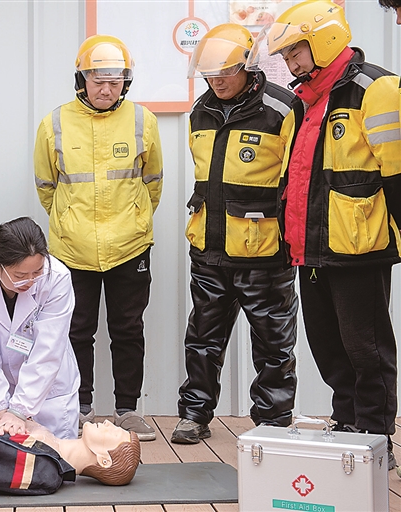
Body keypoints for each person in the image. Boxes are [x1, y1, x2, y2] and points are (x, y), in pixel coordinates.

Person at [256, 0, 401, 469]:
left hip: (358, 248)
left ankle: (376, 440)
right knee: (329, 349)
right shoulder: (303, 101)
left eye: (295, 51)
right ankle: (350, 430)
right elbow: (297, 178)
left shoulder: (375, 89)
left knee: (366, 350)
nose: (290, 62)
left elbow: (397, 173)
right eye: (285, 55)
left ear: (323, 40)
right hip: (310, 248)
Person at [171, 24, 299, 445]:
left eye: (226, 71)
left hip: (265, 253)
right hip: (209, 250)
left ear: (248, 66)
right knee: (202, 340)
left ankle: (273, 423)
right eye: (209, 74)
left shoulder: (282, 109)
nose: (217, 81)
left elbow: (295, 180)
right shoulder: (201, 111)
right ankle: (194, 414)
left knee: (274, 345)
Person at [33, 34, 163, 440]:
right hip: (72, 249)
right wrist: (69, 221)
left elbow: (153, 182)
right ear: (82, 80)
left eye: (115, 81)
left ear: (126, 82)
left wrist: (135, 220)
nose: (106, 89)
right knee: (75, 330)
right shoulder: (54, 123)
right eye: (98, 80)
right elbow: (46, 186)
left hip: (129, 245)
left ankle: (128, 410)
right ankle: (79, 408)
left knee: (128, 329)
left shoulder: (143, 120)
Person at [0, 217, 80, 440]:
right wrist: (1, 412)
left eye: (37, 272)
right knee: (5, 456)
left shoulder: (57, 278)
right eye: (20, 276)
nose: (30, 281)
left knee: (56, 455)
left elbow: (48, 350)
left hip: (49, 393)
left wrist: (19, 411)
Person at [0, 417, 140, 495]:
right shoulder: (48, 449)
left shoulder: (45, 472)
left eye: (115, 433)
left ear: (104, 459)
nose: (109, 423)